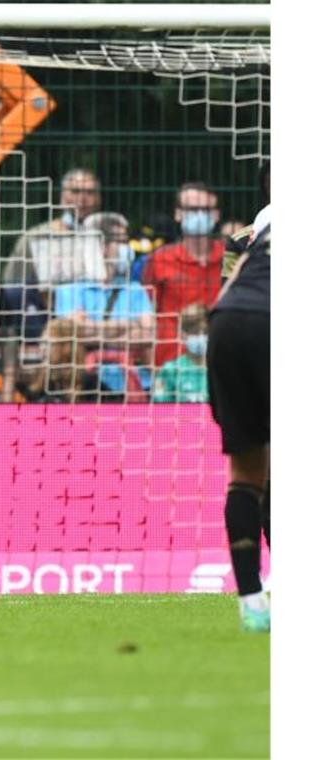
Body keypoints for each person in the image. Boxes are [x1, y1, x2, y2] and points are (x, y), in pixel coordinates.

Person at [206, 170, 270, 633]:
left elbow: (229, 286)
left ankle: (252, 601)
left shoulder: (262, 224)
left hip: (227, 323)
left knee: (247, 472)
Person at [49, 211, 155, 401]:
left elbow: (147, 337)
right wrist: (128, 326)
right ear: (101, 246)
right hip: (84, 387)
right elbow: (70, 333)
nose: (127, 248)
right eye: (121, 242)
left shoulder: (135, 289)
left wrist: (92, 331)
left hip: (133, 388)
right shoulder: (68, 289)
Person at [1, 168, 105, 335]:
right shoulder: (37, 236)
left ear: (99, 199)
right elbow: (11, 283)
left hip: (96, 318)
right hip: (44, 320)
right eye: (75, 191)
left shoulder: (106, 239)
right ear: (62, 197)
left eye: (90, 192)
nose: (82, 199)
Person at [143, 181, 225, 367]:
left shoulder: (230, 258)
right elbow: (147, 315)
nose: (198, 215)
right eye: (191, 209)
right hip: (171, 364)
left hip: (223, 358)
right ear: (178, 214)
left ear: (216, 215)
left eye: (205, 209)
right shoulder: (159, 259)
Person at [152, 303, 209, 403]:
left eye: (205, 332)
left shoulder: (221, 368)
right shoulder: (171, 370)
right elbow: (160, 410)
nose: (201, 336)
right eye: (195, 332)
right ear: (183, 335)